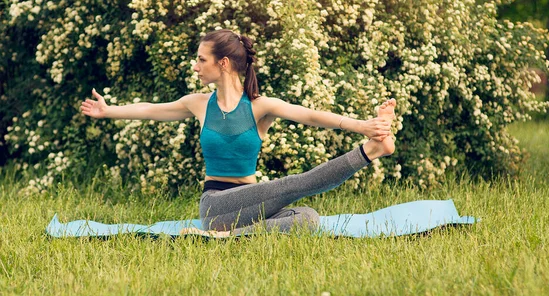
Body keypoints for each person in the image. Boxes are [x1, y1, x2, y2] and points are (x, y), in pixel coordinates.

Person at [80, 29, 396, 237]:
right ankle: (370, 151)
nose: (195, 66)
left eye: (202, 60)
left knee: (308, 218)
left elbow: (310, 115)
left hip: (252, 205)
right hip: (216, 205)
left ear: (225, 63)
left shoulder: (260, 107)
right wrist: (108, 111)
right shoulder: (198, 104)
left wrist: (359, 124)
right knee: (292, 184)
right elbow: (150, 110)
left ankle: (224, 238)